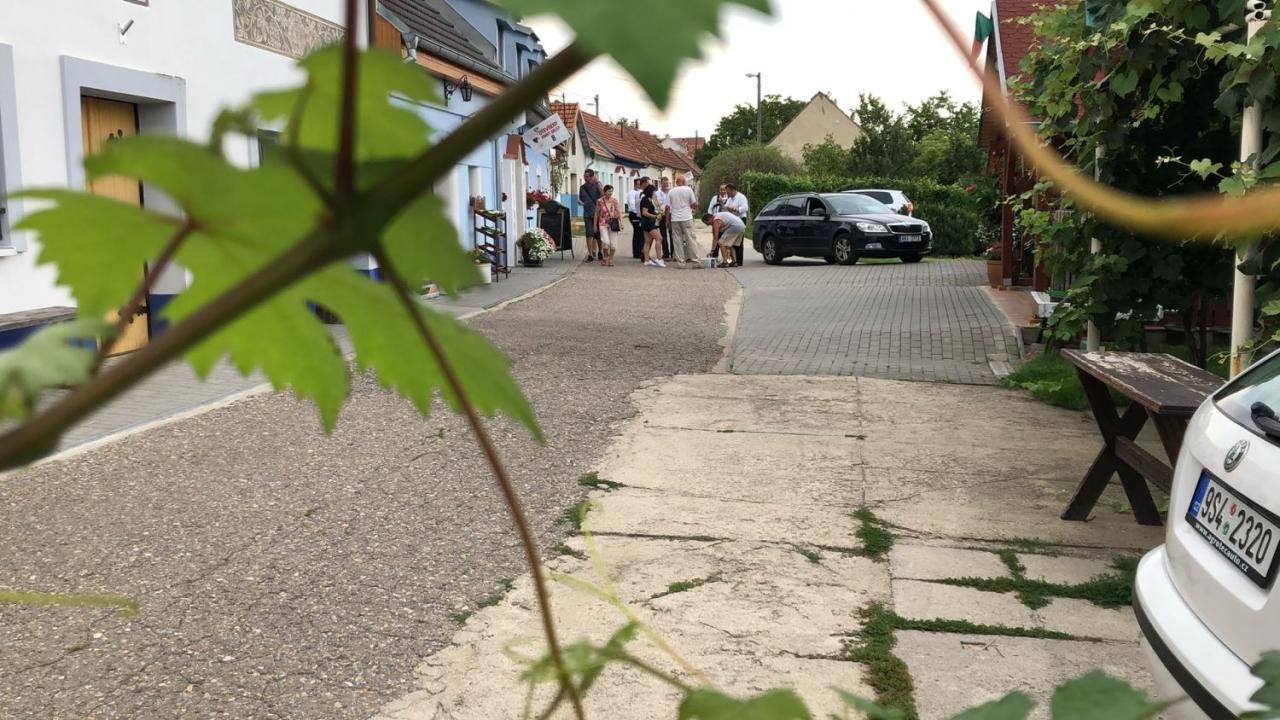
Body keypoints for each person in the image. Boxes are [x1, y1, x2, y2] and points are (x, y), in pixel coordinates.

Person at [666, 175, 700, 264]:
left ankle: (681, 262)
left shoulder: (671, 191)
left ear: (676, 182)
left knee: (677, 241)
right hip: (687, 217)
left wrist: (667, 220)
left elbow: (667, 207)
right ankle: (695, 260)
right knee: (690, 239)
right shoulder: (688, 190)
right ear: (684, 182)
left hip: (675, 219)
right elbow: (693, 204)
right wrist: (696, 206)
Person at [721, 183, 750, 267]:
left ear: (732, 190)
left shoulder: (741, 197)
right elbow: (725, 207)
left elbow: (745, 208)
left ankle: (739, 261)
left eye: (728, 192)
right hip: (732, 221)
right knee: (731, 241)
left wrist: (735, 209)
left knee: (739, 241)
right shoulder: (729, 199)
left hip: (740, 219)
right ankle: (732, 260)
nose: (727, 194)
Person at [595, 184, 623, 267]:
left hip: (613, 224)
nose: (610, 193)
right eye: (608, 191)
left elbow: (618, 212)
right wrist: (594, 225)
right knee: (606, 242)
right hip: (602, 223)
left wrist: (621, 222)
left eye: (611, 191)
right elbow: (596, 213)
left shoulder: (614, 200)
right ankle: (605, 257)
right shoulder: (600, 201)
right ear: (604, 192)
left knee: (613, 244)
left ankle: (610, 259)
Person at [578, 170, 603, 262]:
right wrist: (580, 202)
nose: (585, 178)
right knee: (589, 233)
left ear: (592, 177)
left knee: (598, 234)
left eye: (587, 176)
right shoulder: (582, 188)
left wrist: (598, 185)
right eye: (584, 176)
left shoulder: (597, 186)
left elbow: (603, 196)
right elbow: (581, 199)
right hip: (587, 214)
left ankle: (600, 251)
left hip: (598, 214)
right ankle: (590, 254)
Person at [640, 185, 665, 267]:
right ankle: (659, 258)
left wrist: (655, 199)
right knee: (659, 238)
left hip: (649, 222)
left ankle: (646, 260)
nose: (655, 193)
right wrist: (655, 216)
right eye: (654, 191)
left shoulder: (650, 199)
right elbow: (644, 213)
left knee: (648, 241)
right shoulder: (645, 199)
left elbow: (657, 207)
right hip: (649, 222)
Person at [627, 178, 644, 260]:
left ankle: (640, 251)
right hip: (634, 214)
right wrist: (639, 213)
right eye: (638, 184)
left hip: (640, 214)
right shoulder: (631, 193)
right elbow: (632, 204)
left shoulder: (641, 192)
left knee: (640, 233)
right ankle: (637, 252)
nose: (639, 186)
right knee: (637, 233)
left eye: (640, 184)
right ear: (635, 184)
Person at [657, 177, 673, 260]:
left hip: (671, 214)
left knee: (672, 234)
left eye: (667, 183)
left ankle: (673, 253)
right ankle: (666, 253)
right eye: (664, 183)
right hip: (662, 214)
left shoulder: (671, 192)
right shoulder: (657, 193)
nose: (666, 185)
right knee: (663, 234)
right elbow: (658, 205)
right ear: (661, 183)